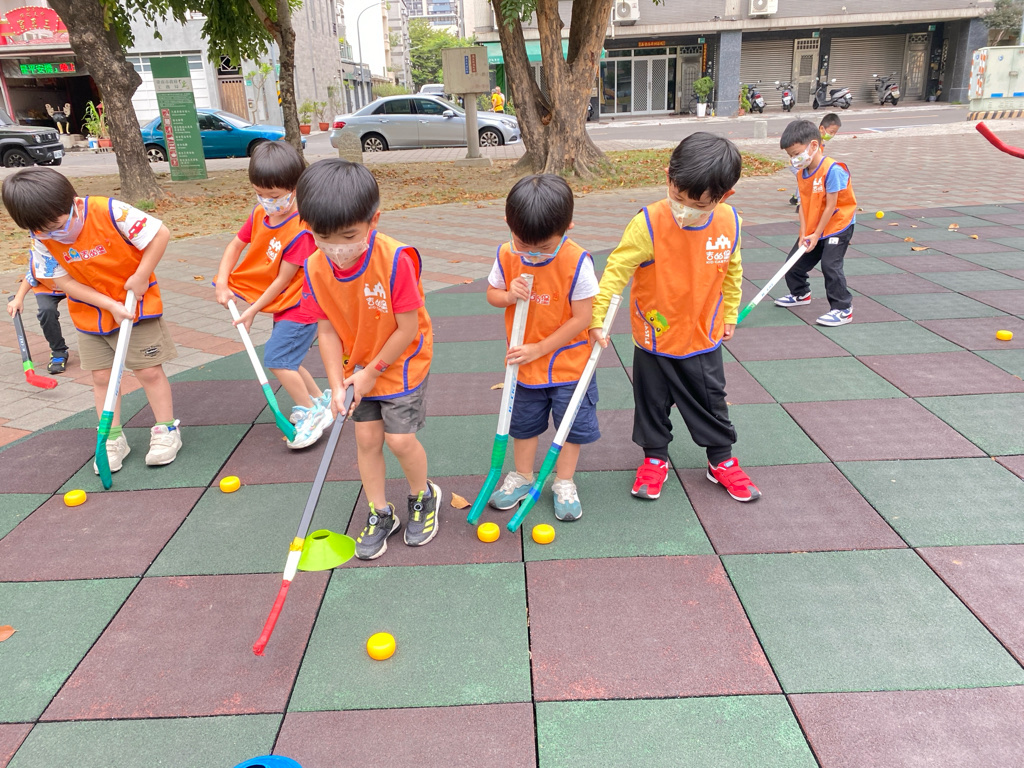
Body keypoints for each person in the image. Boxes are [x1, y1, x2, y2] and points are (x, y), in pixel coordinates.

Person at [590, 132, 761, 504]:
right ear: (668, 177)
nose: (685, 209)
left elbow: (733, 272)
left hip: (702, 330)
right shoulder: (648, 224)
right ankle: (655, 458)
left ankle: (720, 459)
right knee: (651, 399)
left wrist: (730, 313)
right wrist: (598, 317)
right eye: (678, 197)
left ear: (724, 196)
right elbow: (616, 272)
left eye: (698, 205)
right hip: (656, 331)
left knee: (711, 399)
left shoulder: (729, 223)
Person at [298, 159, 440, 560]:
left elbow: (407, 329)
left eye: (348, 235)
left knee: (400, 439)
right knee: (366, 439)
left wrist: (373, 372)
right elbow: (327, 330)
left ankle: (422, 495)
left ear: (373, 220)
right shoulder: (314, 267)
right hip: (356, 367)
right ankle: (380, 511)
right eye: (323, 237)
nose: (336, 247)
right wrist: (335, 384)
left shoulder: (396, 260)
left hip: (400, 361)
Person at [1, 167, 181, 471]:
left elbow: (159, 234)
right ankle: (112, 437)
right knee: (101, 377)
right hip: (91, 312)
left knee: (148, 370)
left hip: (135, 304)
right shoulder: (42, 236)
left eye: (58, 226)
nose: (54, 235)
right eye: (44, 231)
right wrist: (108, 305)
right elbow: (63, 282)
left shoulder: (110, 211)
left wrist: (141, 276)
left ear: (75, 204)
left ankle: (166, 429)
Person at [485, 174, 599, 521]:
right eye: (524, 244)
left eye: (545, 247)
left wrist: (540, 348)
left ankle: (564, 481)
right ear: (509, 225)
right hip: (524, 366)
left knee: (569, 428)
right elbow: (492, 294)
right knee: (523, 424)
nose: (532, 253)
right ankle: (522, 475)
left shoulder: (577, 261)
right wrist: (508, 295)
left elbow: (582, 318)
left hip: (569, 365)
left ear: (568, 227)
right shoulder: (507, 254)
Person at [214, 140, 332, 449]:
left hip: (302, 304)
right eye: (260, 193)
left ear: (295, 189)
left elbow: (282, 279)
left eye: (275, 195)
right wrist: (223, 281)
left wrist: (252, 310)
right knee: (288, 358)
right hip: (284, 303)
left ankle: (311, 414)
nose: (267, 201)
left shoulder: (301, 229)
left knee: (278, 358)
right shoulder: (259, 214)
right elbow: (235, 245)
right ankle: (319, 401)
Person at [775, 118, 857, 327]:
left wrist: (817, 234)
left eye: (795, 154)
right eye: (790, 156)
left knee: (830, 265)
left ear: (813, 145)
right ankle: (800, 293)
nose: (794, 159)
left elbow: (831, 206)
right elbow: (803, 204)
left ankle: (842, 308)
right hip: (815, 225)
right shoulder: (802, 173)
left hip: (837, 225)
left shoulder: (833, 170)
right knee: (793, 263)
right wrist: (804, 233)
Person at [6, 262, 69, 374]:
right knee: (46, 311)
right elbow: (31, 274)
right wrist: (18, 298)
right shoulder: (40, 254)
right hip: (46, 287)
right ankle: (58, 351)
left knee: (87, 309)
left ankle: (98, 345)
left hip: (75, 284)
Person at [789, 113, 841, 206]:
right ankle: (800, 202)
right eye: (831, 132)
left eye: (835, 133)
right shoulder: (814, 141)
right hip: (798, 163)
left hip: (804, 163)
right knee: (804, 180)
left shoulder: (820, 140)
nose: (832, 135)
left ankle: (796, 198)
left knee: (804, 179)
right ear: (821, 128)